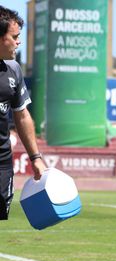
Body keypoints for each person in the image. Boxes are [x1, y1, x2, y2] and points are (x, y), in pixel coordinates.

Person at [0, 6, 46, 220]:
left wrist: (35, 157)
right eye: (15, 37)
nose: (19, 42)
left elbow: (22, 115)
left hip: (2, 163)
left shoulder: (14, 70)